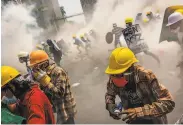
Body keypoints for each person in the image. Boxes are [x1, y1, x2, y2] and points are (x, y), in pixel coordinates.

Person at [105, 47, 175, 124]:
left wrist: (138, 112)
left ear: (131, 69)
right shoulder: (114, 79)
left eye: (119, 74)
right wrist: (110, 105)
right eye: (113, 74)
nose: (116, 78)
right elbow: (109, 95)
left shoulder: (146, 76)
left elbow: (168, 103)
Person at [29, 50, 77, 124]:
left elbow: (59, 93)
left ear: (44, 64)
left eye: (36, 66)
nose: (35, 69)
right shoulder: (44, 73)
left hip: (65, 109)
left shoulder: (58, 72)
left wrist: (46, 82)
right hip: (55, 108)